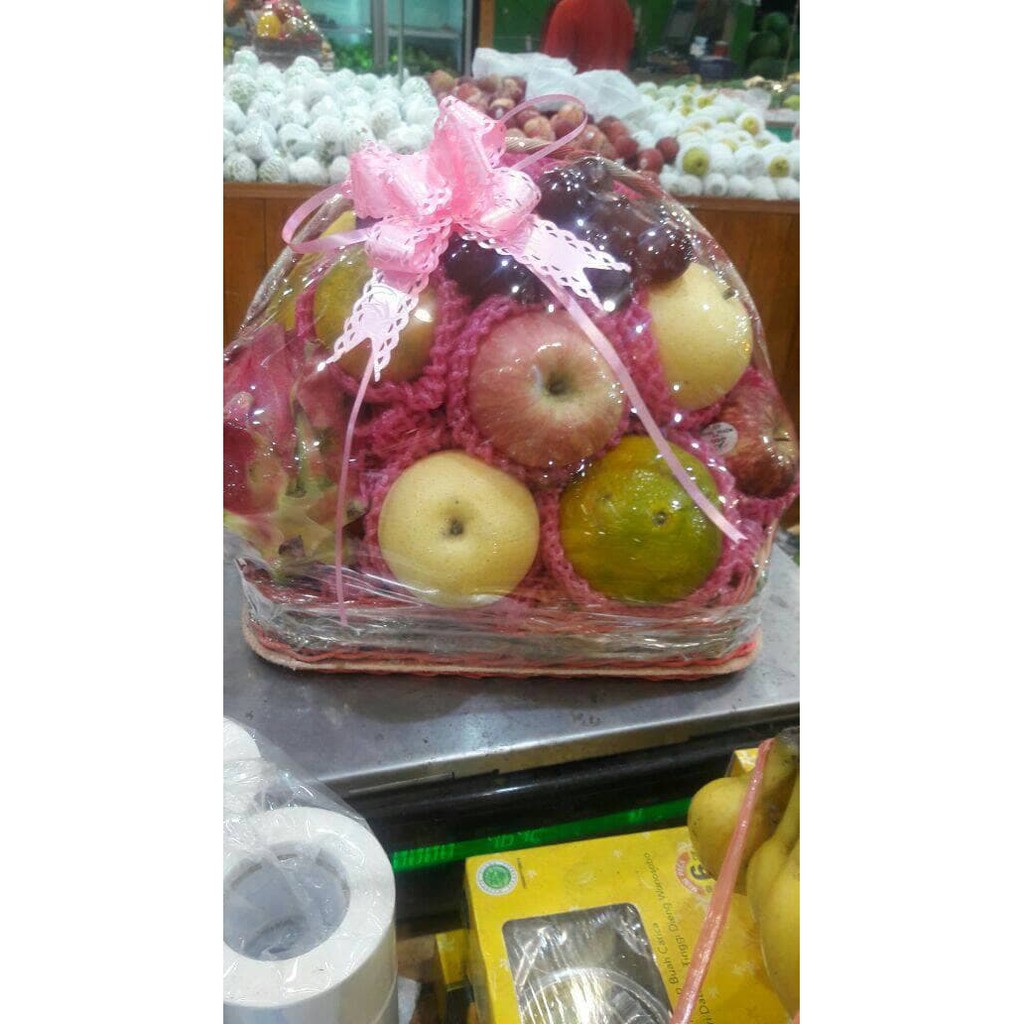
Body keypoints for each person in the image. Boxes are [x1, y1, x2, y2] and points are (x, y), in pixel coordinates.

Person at [540, 0, 636, 73]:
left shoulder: (569, 8)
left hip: (578, 91)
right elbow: (627, 49)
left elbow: (552, 66)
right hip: (615, 88)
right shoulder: (623, 7)